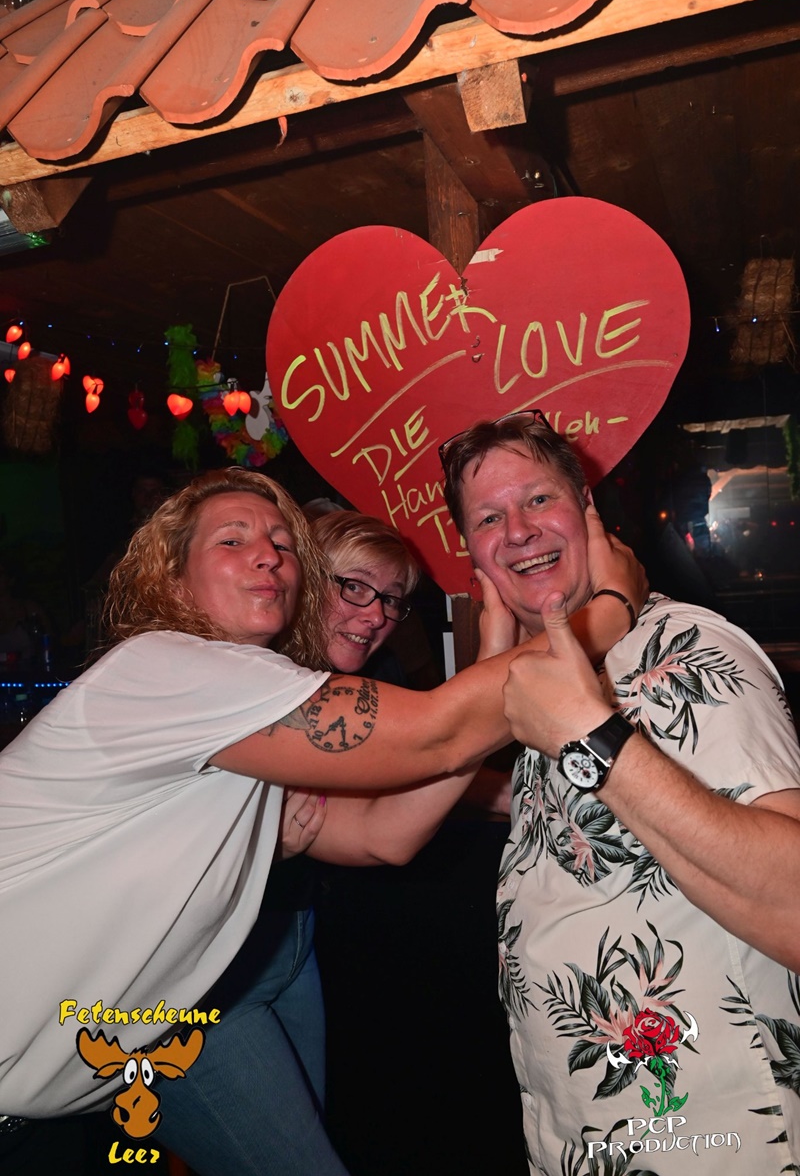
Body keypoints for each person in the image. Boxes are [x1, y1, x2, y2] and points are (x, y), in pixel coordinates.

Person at [0, 466, 642, 1175]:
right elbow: (436, 734)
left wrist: (494, 658)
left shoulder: (242, 717)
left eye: (281, 542)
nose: (268, 554)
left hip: (56, 1102)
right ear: (175, 583)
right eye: (233, 540)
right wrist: (609, 610)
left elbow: (383, 834)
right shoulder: (165, 668)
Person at [439, 409, 800, 1174]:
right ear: (471, 551)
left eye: (539, 499)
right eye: (490, 517)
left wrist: (593, 739)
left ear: (587, 509)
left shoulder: (681, 650)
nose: (519, 530)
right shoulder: (547, 681)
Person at [156, 509, 424, 1175]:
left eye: (392, 599)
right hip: (195, 983)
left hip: (290, 946)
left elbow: (389, 808)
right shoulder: (232, 678)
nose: (375, 614)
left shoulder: (352, 687)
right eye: (354, 586)